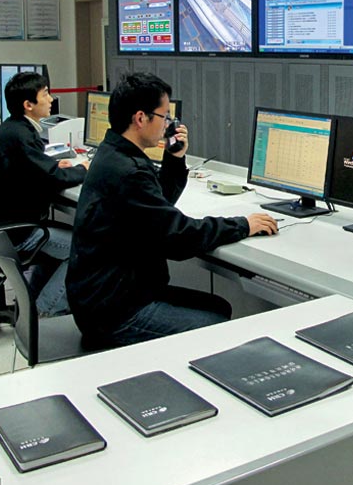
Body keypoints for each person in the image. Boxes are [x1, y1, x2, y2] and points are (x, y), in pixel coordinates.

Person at [67, 72, 278, 348]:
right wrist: (243, 225)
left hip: (108, 296)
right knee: (217, 325)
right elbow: (178, 238)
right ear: (141, 118)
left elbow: (156, 208)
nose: (169, 124)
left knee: (219, 306)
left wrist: (174, 158)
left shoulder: (113, 154)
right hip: (115, 313)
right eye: (165, 116)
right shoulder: (128, 171)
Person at [0, 72, 88, 316]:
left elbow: (38, 170)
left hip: (1, 224)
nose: (51, 99)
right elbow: (54, 179)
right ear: (29, 105)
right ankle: (45, 312)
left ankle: (31, 307)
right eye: (46, 94)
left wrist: (52, 168)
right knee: (82, 249)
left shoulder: (12, 128)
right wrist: (83, 169)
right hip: (15, 231)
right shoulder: (22, 135)